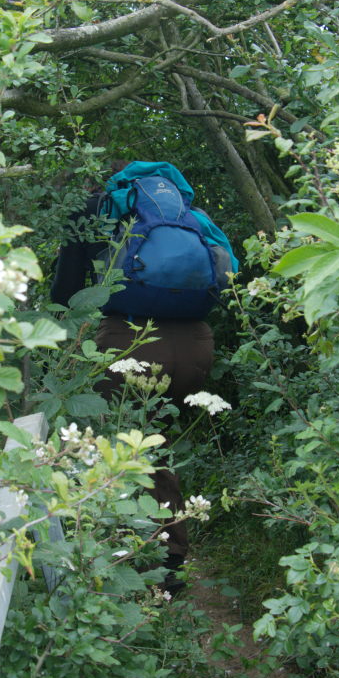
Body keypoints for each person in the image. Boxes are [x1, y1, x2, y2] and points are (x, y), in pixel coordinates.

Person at [51, 161, 236, 588]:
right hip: (196, 345)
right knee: (155, 442)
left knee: (108, 442)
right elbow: (226, 278)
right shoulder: (191, 217)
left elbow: (66, 293)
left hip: (129, 341)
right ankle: (166, 558)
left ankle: (116, 556)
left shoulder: (99, 211)